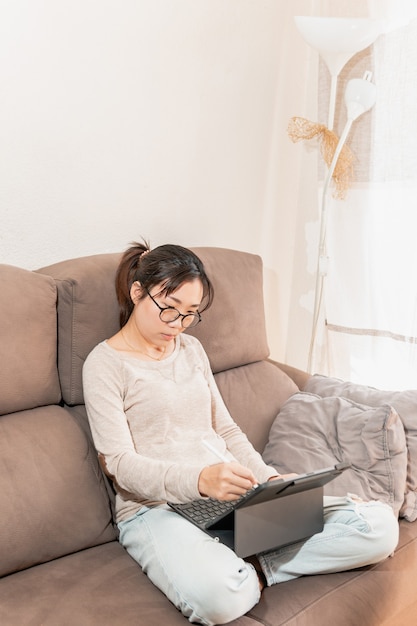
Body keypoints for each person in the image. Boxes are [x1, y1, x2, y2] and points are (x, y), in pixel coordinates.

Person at [83, 241, 399, 626]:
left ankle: (257, 566)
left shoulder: (191, 350)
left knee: (378, 527)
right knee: (220, 597)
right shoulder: (104, 364)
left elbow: (226, 430)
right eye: (168, 308)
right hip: (154, 509)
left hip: (227, 501)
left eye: (189, 314)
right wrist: (199, 480)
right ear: (137, 292)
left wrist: (270, 480)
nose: (176, 325)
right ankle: (242, 565)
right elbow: (120, 465)